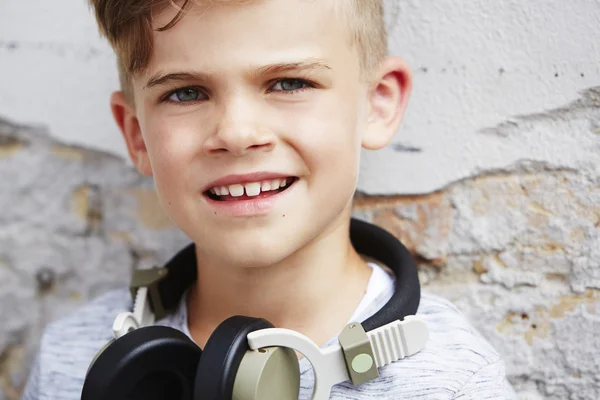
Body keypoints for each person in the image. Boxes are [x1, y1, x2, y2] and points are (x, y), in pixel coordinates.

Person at [21, 0, 517, 398]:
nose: (237, 134)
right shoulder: (73, 360)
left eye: (289, 83)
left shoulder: (456, 383)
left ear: (377, 103)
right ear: (136, 134)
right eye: (186, 93)